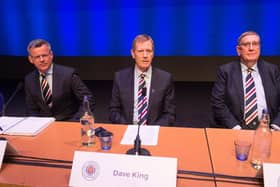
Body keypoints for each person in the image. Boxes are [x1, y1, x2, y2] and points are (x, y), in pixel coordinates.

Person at [211, 31, 280, 130]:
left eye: (255, 44)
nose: (251, 48)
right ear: (238, 50)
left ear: (259, 48)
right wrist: (235, 127)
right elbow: (217, 103)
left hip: (268, 129)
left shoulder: (272, 70)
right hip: (236, 128)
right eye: (246, 44)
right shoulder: (225, 71)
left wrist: (276, 126)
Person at [109, 34, 175, 126]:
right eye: (140, 51)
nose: (145, 55)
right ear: (133, 53)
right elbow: (113, 111)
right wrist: (129, 128)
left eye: (148, 51)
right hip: (127, 130)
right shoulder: (120, 77)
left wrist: (151, 130)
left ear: (153, 54)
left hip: (154, 131)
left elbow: (170, 114)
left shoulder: (165, 79)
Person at [25, 39, 95, 121]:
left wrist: (75, 121)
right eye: (37, 57)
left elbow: (88, 100)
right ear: (31, 59)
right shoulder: (29, 79)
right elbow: (31, 109)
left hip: (68, 123)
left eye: (44, 55)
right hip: (43, 126)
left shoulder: (68, 74)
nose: (42, 60)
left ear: (51, 55)